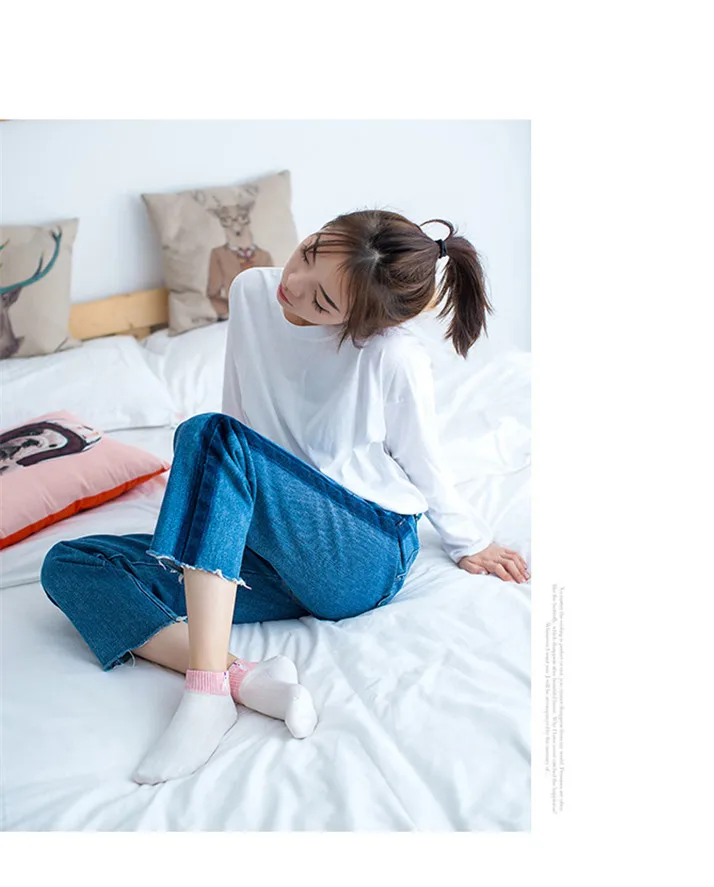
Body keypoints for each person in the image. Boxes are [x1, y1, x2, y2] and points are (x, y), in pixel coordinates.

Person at [40, 209, 529, 785]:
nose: (293, 284)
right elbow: (242, 416)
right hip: (269, 543)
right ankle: (243, 680)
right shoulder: (252, 290)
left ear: (362, 325)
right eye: (309, 252)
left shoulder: (391, 356)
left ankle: (204, 694)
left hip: (361, 552)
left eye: (322, 301)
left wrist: (470, 541)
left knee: (207, 433)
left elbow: (423, 461)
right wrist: (218, 509)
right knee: (72, 565)